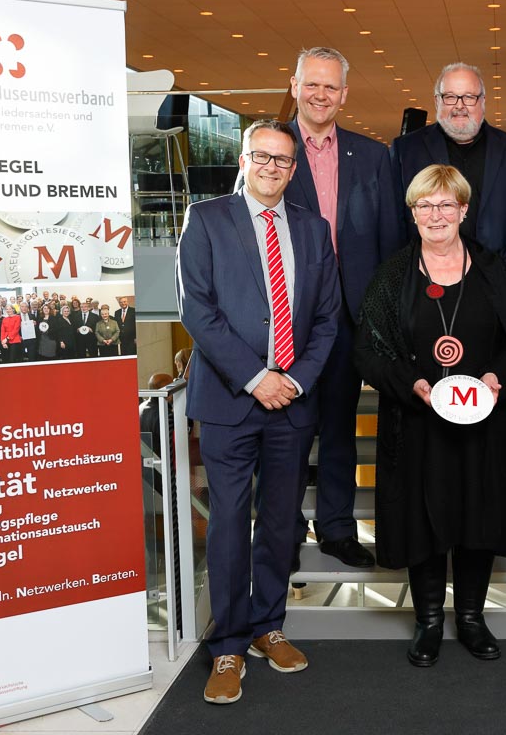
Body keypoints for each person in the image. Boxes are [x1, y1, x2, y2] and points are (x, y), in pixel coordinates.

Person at [177, 119, 339, 704]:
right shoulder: (206, 219)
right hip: (230, 400)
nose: (272, 167)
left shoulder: (313, 228)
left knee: (279, 520)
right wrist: (255, 378)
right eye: (262, 157)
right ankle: (228, 644)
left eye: (283, 160)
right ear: (243, 161)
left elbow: (327, 319)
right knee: (228, 522)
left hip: (292, 402)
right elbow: (197, 311)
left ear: (294, 170)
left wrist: (292, 380)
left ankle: (269, 626)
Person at [354, 164, 506, 668]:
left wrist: (497, 378)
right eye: (425, 205)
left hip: (485, 424)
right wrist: (412, 383)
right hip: (418, 424)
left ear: (463, 210)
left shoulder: (493, 270)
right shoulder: (393, 275)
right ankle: (429, 621)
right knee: (423, 518)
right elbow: (366, 351)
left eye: (446, 204)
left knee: (480, 515)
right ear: (412, 214)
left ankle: (471, 617)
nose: (436, 215)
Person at [285, 46, 406, 568]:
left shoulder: (373, 156)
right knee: (288, 432)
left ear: (344, 95)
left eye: (330, 86)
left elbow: (389, 242)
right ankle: (285, 532)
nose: (320, 94)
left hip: (348, 319)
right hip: (286, 319)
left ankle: (336, 528)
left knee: (339, 427)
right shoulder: (271, 148)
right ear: (295, 87)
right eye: (311, 84)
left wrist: (381, 318)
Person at [391, 62, 506, 286]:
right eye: (450, 97)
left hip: (502, 284)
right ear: (437, 101)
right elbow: (394, 222)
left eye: (469, 97)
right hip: (426, 285)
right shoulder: (406, 150)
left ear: (483, 101)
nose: (459, 106)